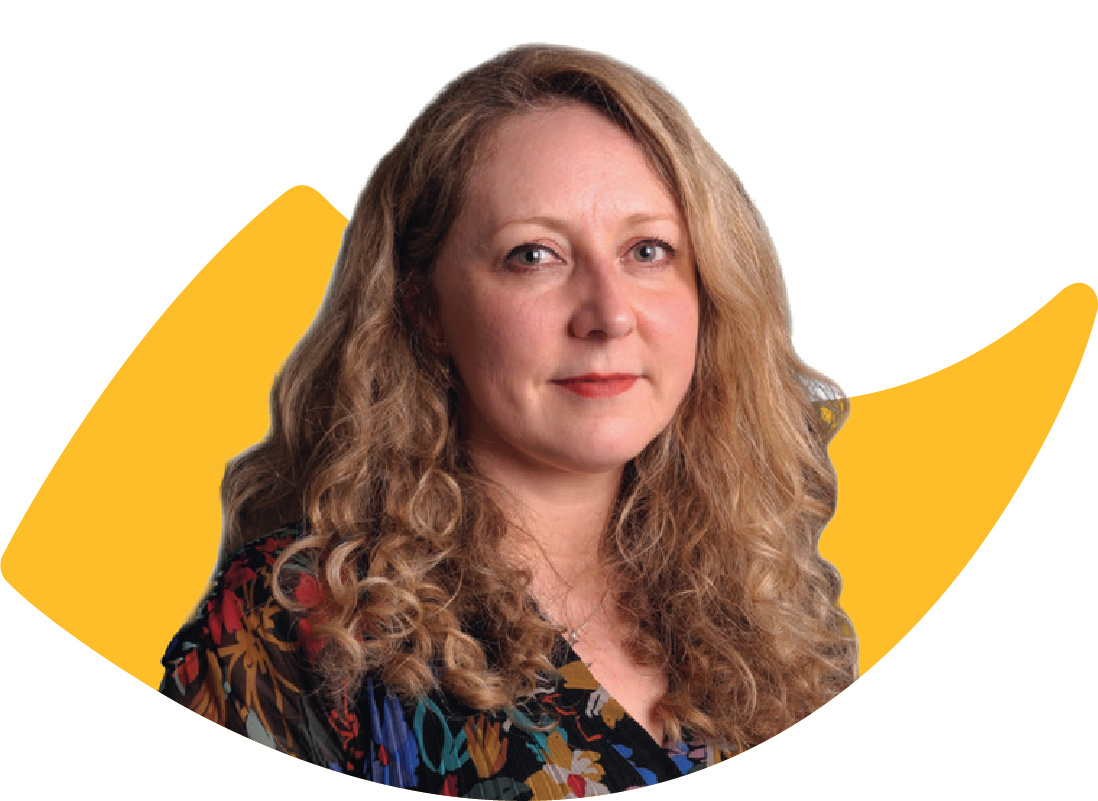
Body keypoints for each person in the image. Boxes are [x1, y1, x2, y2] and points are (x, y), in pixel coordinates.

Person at [159, 42, 857, 796]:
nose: (609, 313)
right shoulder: (298, 625)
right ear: (425, 307)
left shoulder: (766, 620)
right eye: (534, 255)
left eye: (648, 250)